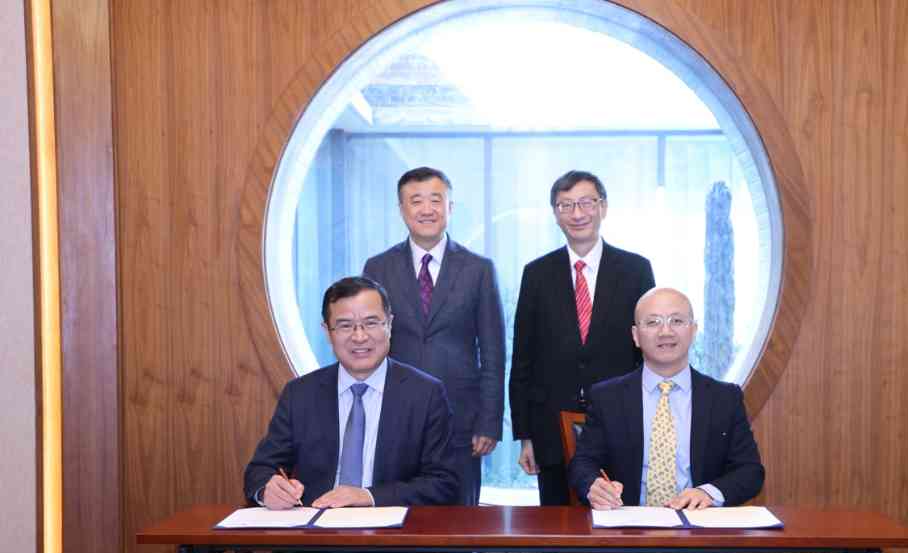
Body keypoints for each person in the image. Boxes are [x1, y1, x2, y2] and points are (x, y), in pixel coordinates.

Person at [244, 276, 457, 511]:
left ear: (389, 325)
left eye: (371, 323)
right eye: (345, 326)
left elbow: (443, 483)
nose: (359, 337)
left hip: (390, 529)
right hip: (314, 527)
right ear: (327, 332)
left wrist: (368, 496)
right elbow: (259, 470)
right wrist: (268, 489)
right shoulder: (300, 394)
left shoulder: (426, 394)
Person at [510, 170, 655, 505]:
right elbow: (523, 358)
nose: (577, 214)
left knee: (619, 519)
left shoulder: (635, 270)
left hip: (620, 423)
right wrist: (526, 436)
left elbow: (647, 352)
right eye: (566, 205)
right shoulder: (536, 274)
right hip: (551, 429)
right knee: (557, 525)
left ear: (603, 207)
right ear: (555, 213)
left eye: (586, 203)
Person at [363, 167, 505, 506]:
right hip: (393, 417)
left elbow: (494, 352)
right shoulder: (378, 268)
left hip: (461, 422)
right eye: (416, 201)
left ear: (450, 207)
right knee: (394, 515)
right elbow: (366, 346)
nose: (427, 209)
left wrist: (489, 422)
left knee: (460, 520)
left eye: (436, 200)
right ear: (402, 210)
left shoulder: (478, 269)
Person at [568, 287, 764, 511]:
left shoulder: (725, 399)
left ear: (693, 330)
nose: (665, 331)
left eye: (677, 321)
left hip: (699, 523)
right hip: (628, 524)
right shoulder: (607, 398)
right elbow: (583, 463)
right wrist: (594, 486)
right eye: (653, 322)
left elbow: (750, 471)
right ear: (635, 336)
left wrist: (707, 493)